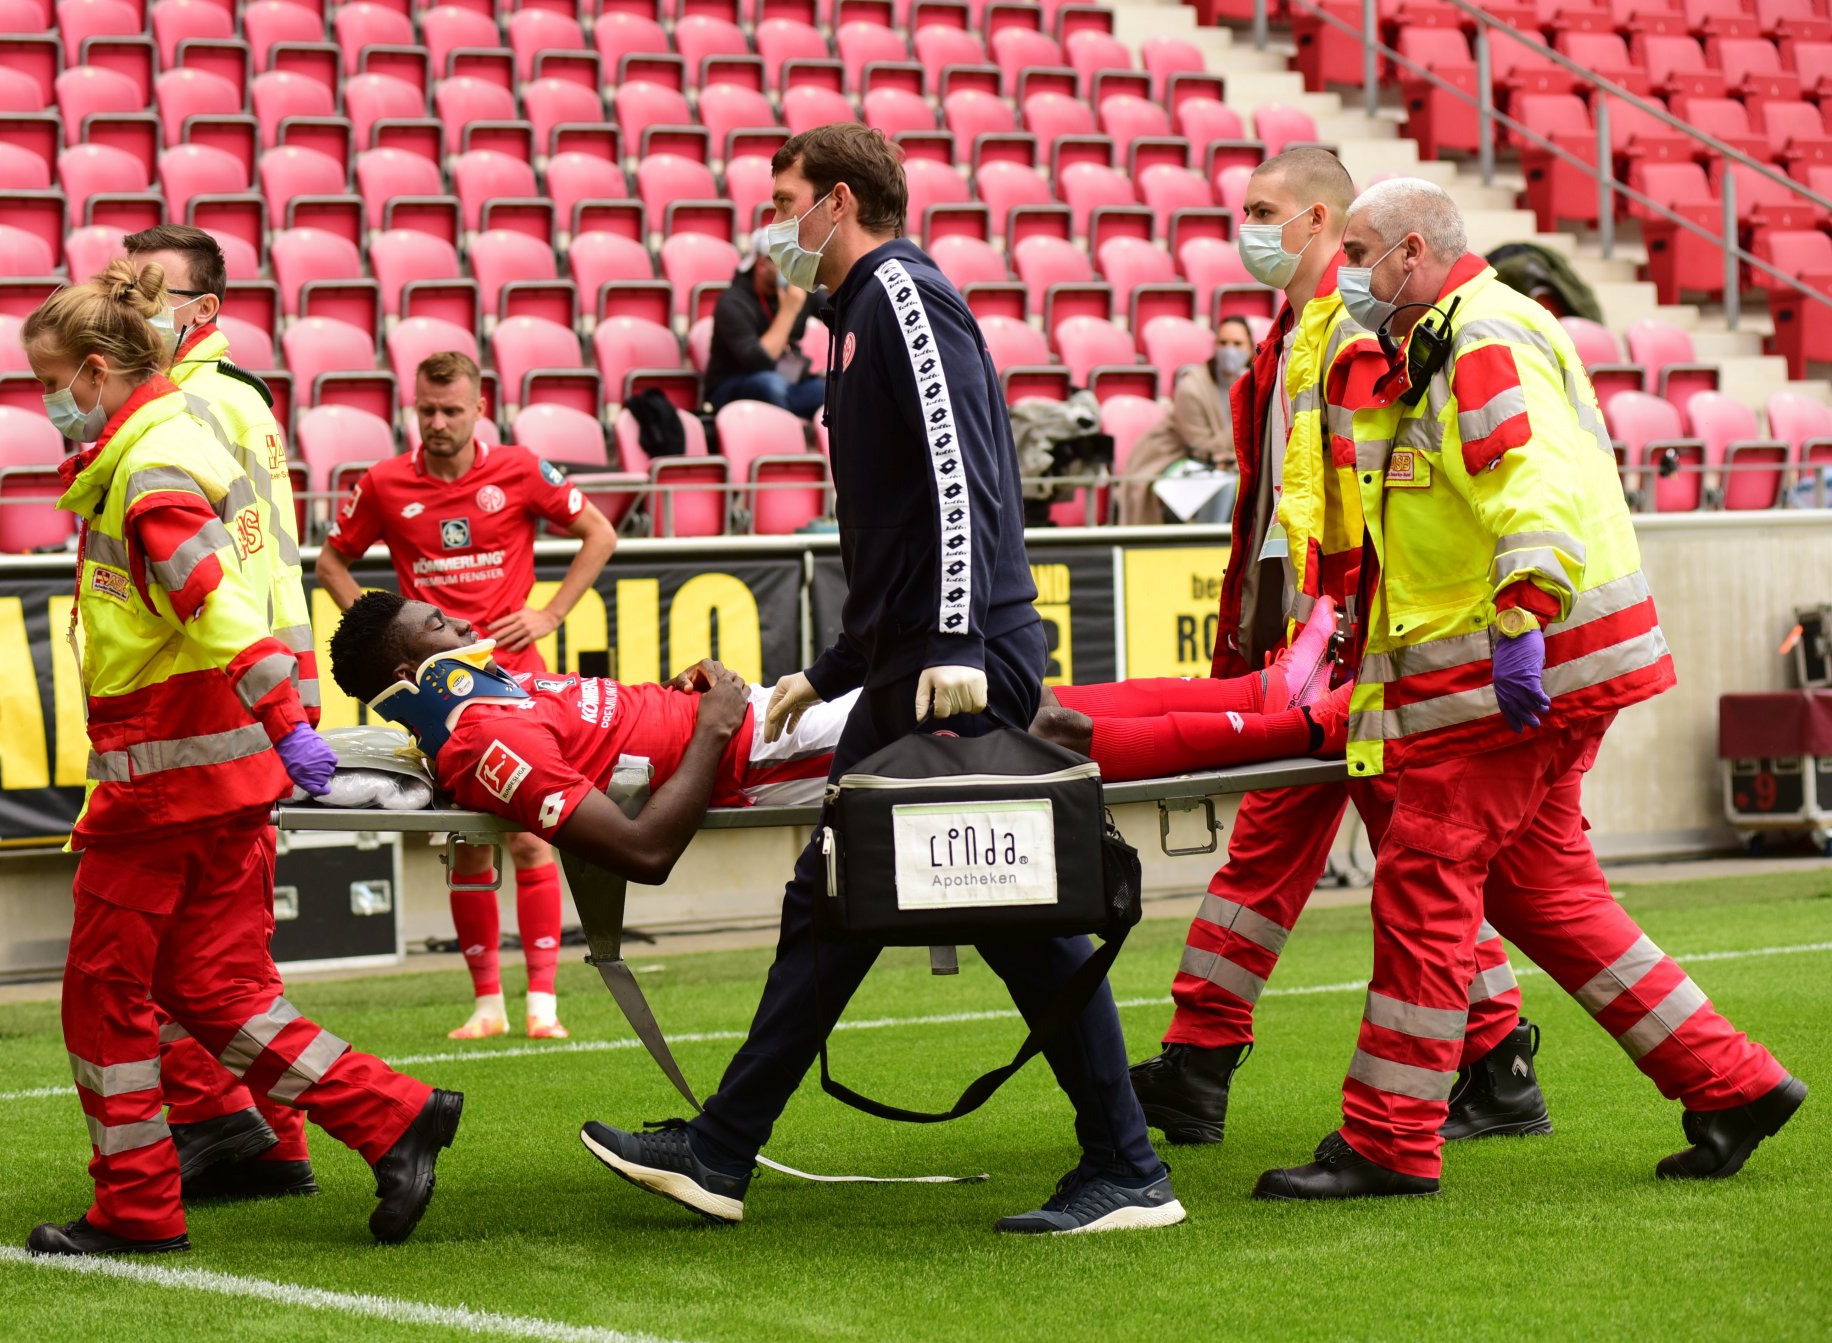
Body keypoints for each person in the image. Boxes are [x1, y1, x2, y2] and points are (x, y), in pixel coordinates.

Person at [575, 124, 1183, 1235]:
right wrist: (833, 666)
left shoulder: (901, 294)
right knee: (889, 902)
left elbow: (964, 479)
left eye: (786, 196)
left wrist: (952, 638)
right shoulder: (852, 318)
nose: (774, 221)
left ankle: (1125, 1166)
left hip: (957, 662)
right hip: (914, 658)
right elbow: (897, 528)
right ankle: (729, 1149)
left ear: (840, 200)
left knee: (945, 902)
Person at [1254, 179, 1805, 1200]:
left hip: (1505, 669)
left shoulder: (1476, 334)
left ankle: (1388, 1139)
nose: (1352, 273)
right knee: (1548, 895)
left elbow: (1532, 484)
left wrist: (1521, 612)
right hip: (1535, 666)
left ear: (1413, 251)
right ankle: (1732, 1082)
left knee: (1423, 884)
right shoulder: (1480, 324)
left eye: (1365, 251)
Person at [24, 261, 459, 1256]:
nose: (45, 403)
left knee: (104, 995)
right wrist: (276, 725)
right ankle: (390, 1113)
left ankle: (135, 1205)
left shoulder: (146, 464)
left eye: (48, 381)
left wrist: (283, 713)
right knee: (214, 986)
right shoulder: (171, 437)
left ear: (95, 371)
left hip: (166, 781)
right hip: (219, 774)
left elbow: (214, 600)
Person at [1128, 148, 1551, 1152]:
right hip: (1326, 638)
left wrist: (1327, 633)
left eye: (1265, 210)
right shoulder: (1297, 338)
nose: (1248, 228)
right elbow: (1285, 501)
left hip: (1349, 642)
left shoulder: (1339, 339)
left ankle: (1205, 1057)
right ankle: (1495, 1060)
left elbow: (1361, 500)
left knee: (1330, 849)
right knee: (1349, 849)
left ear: (1323, 218)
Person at [322, 594, 1347, 878]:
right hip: (770, 758)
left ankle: (1262, 689)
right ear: (409, 675)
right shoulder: (472, 743)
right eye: (440, 629)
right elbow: (641, 851)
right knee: (1041, 728)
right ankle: (1297, 721)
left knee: (1027, 690)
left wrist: (699, 692)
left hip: (751, 716)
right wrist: (715, 723)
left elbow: (623, 729)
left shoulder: (496, 695)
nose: (466, 626)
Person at [316, 351, 618, 1042]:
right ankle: (487, 1003)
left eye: (452, 410)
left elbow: (597, 533)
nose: (438, 422)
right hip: (433, 704)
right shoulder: (385, 483)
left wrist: (548, 614)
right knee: (469, 845)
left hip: (513, 686)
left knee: (530, 839)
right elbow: (331, 561)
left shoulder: (517, 468)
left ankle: (543, 1002)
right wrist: (378, 636)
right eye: (427, 410)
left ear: (480, 408)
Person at [122, 224, 323, 1205]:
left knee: (179, 945)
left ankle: (219, 1122)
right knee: (231, 948)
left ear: (203, 313)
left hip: (214, 696)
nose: (128, 299)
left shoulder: (187, 405)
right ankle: (271, 1140)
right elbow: (275, 563)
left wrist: (273, 698)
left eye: (149, 288)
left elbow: (219, 578)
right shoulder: (242, 401)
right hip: (257, 690)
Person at [1117, 314, 1251, 526]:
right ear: (1214, 347)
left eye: (1237, 343)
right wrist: (1244, 416)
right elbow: (1201, 447)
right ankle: (1208, 544)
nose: (1230, 350)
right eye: (1223, 343)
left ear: (1251, 348)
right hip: (1173, 457)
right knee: (1227, 486)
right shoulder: (1191, 386)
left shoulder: (1251, 383)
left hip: (1222, 464)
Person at [703, 227, 828, 416]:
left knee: (831, 390)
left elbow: (840, 309)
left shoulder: (797, 288)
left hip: (787, 382)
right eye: (786, 261)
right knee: (771, 384)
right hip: (735, 384)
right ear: (761, 265)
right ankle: (787, 435)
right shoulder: (732, 302)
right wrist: (790, 309)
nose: (793, 268)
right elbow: (759, 361)